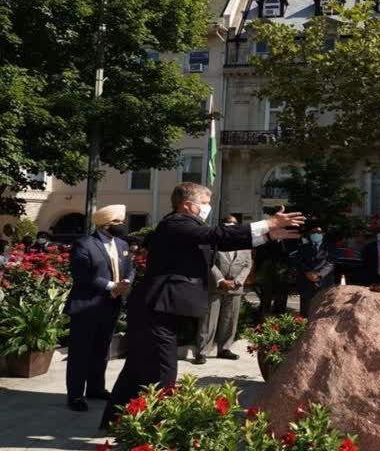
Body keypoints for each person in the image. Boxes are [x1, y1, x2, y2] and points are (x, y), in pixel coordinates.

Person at [100, 182, 304, 429]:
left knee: (138, 367)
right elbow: (218, 235)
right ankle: (157, 429)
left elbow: (223, 242)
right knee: (163, 372)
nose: (208, 207)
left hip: (159, 308)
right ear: (187, 205)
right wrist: (269, 223)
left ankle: (114, 421)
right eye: (205, 203)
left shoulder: (188, 228)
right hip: (155, 308)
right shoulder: (177, 223)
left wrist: (268, 236)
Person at [65, 205, 134, 412]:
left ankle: (96, 388)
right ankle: (75, 395)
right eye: (116, 222)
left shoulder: (121, 243)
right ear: (104, 224)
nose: (121, 225)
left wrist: (126, 282)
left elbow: (131, 268)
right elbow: (82, 274)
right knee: (80, 352)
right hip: (86, 306)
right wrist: (112, 286)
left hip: (110, 305)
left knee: (102, 350)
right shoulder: (84, 244)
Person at [193, 215, 253, 364]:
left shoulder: (244, 244)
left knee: (230, 319)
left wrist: (237, 281)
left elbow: (248, 264)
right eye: (227, 224)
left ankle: (224, 349)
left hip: (235, 287)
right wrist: (221, 280)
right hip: (216, 285)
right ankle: (202, 351)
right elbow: (209, 262)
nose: (231, 226)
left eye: (234, 224)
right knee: (208, 320)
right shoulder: (213, 242)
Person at [295, 225, 335, 318]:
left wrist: (319, 275)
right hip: (306, 282)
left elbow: (331, 263)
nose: (316, 234)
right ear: (309, 234)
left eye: (318, 232)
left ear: (323, 234)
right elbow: (299, 262)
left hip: (324, 282)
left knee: (323, 310)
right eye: (313, 232)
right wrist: (308, 272)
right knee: (305, 311)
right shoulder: (302, 247)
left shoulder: (330, 247)